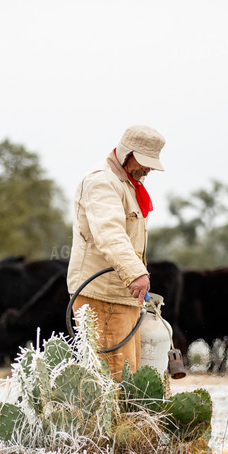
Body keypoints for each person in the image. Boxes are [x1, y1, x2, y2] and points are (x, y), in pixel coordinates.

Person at [67, 125, 165, 378]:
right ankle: (114, 420)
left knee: (128, 374)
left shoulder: (128, 184)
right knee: (114, 375)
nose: (148, 169)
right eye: (144, 162)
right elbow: (109, 233)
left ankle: (125, 420)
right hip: (102, 296)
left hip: (121, 294)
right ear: (126, 153)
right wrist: (135, 273)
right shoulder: (101, 181)